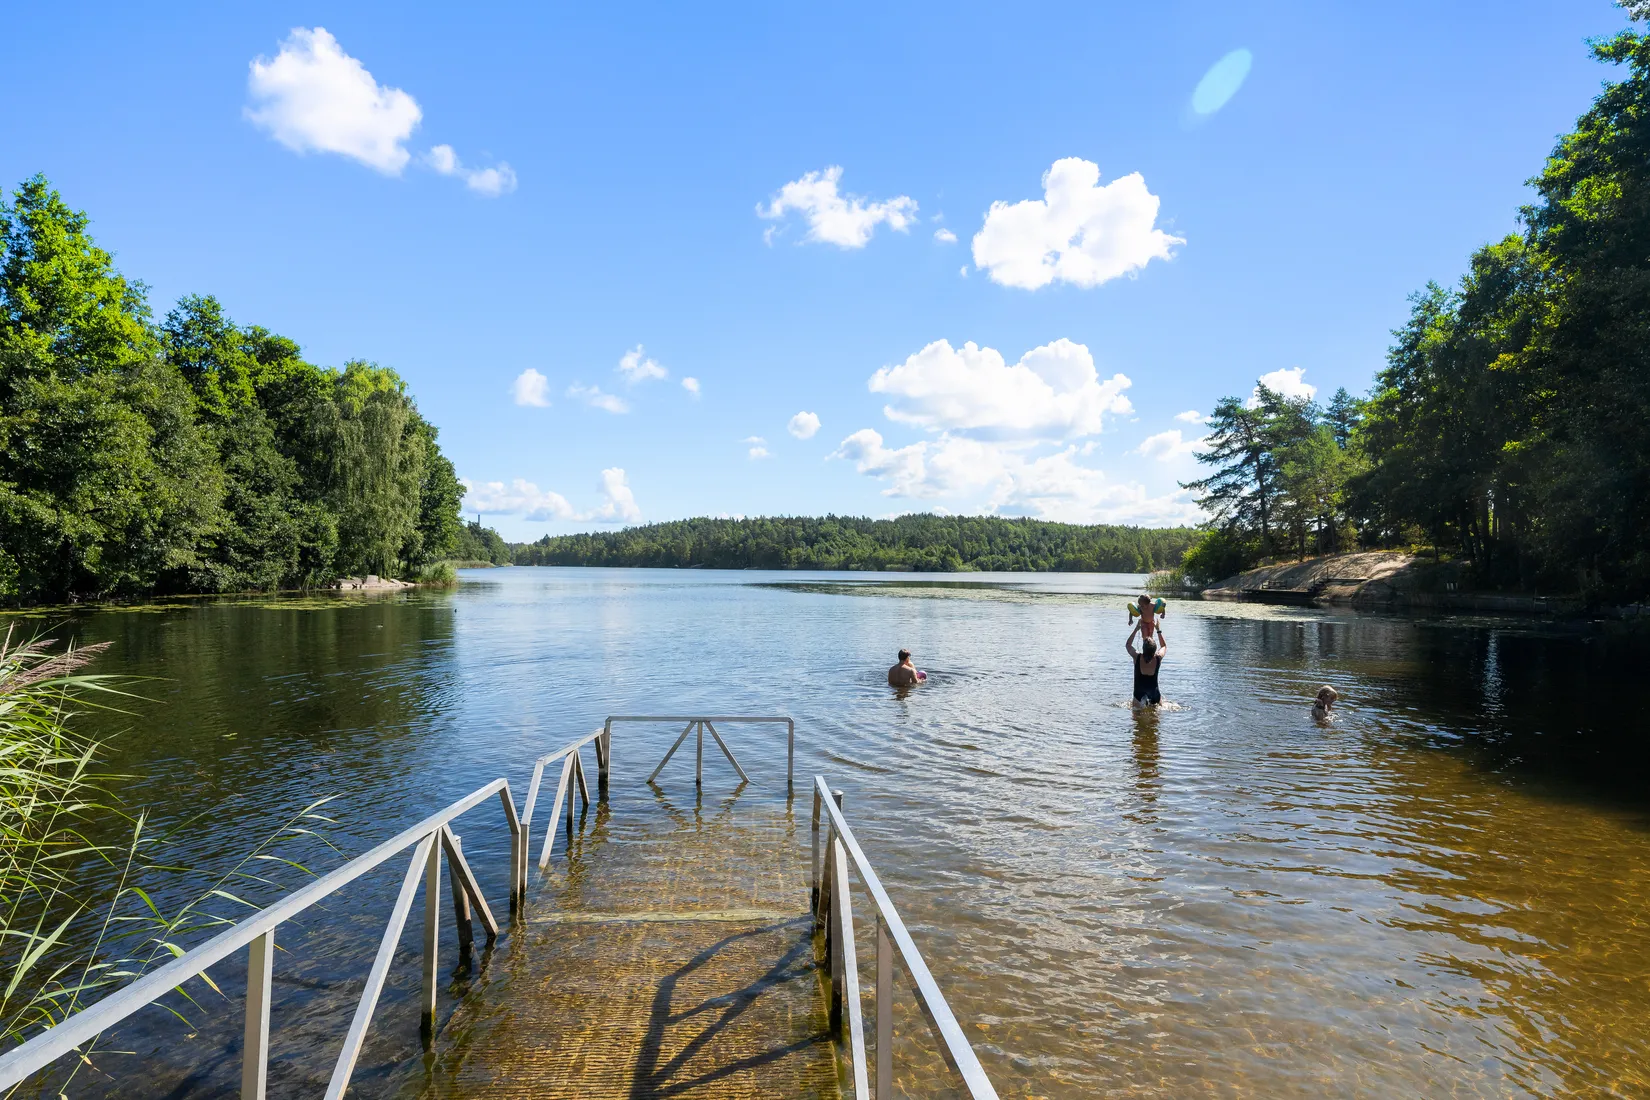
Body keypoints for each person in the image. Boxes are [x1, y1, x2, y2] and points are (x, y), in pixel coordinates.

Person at [1126, 627, 1165, 705]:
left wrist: (1136, 629)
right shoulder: (1158, 658)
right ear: (1155, 649)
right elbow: (1163, 646)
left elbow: (1128, 645)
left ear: (1143, 648)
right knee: (1156, 714)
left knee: (1138, 716)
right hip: (1155, 693)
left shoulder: (1137, 657)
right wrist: (1158, 630)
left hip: (1138, 694)